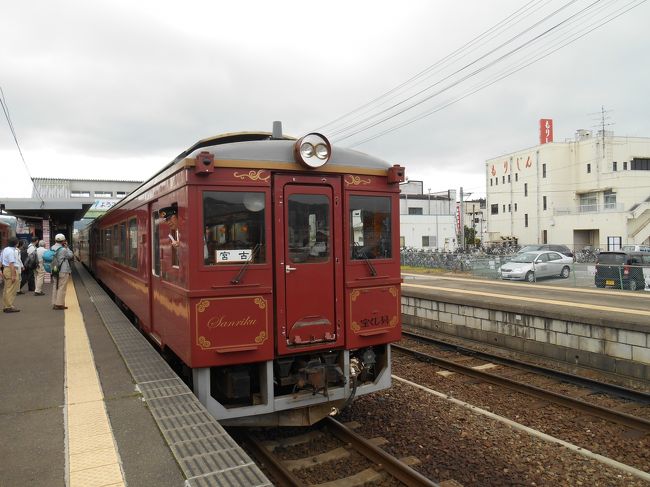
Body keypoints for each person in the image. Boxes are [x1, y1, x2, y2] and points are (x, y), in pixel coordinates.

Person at [50, 233, 74, 310]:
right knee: (61, 287)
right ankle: (59, 304)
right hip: (63, 270)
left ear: (55, 240)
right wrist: (67, 248)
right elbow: (70, 256)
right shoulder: (63, 249)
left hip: (54, 269)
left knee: (55, 286)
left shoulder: (52, 248)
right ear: (63, 241)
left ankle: (54, 302)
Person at [1, 237, 20, 312]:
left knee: (6, 288)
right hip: (10, 270)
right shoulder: (11, 251)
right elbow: (11, 263)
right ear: (16, 243)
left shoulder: (5, 249)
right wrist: (13, 275)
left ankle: (6, 305)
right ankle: (9, 306)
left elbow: (0, 260)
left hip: (5, 269)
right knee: (11, 289)